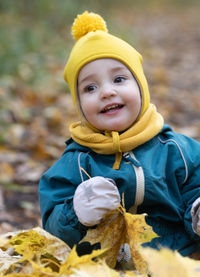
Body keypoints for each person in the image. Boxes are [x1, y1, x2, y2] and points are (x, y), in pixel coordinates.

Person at [39, 11, 200, 258]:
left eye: (119, 79)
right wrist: (76, 213)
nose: (106, 92)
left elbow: (194, 188)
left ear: (141, 87)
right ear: (79, 104)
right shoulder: (76, 162)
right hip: (104, 273)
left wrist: (196, 212)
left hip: (175, 264)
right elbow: (53, 224)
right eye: (90, 88)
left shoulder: (176, 150)